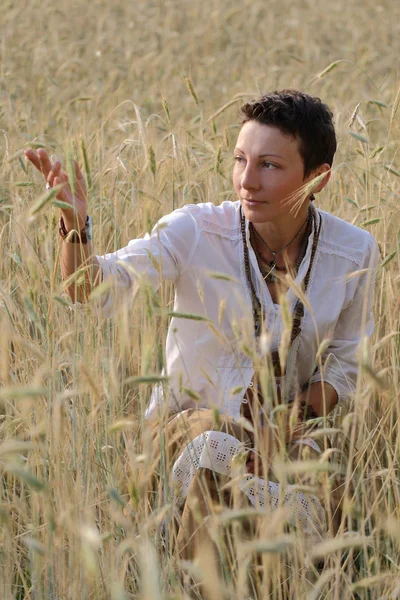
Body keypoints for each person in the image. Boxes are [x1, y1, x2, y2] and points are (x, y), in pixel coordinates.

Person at [25, 90, 378, 560]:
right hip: (181, 432)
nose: (246, 181)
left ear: (317, 179)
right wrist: (76, 228)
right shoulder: (195, 230)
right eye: (239, 159)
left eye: (269, 165)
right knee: (216, 445)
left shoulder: (354, 252)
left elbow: (348, 365)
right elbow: (92, 287)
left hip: (286, 435)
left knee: (331, 500)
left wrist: (287, 422)